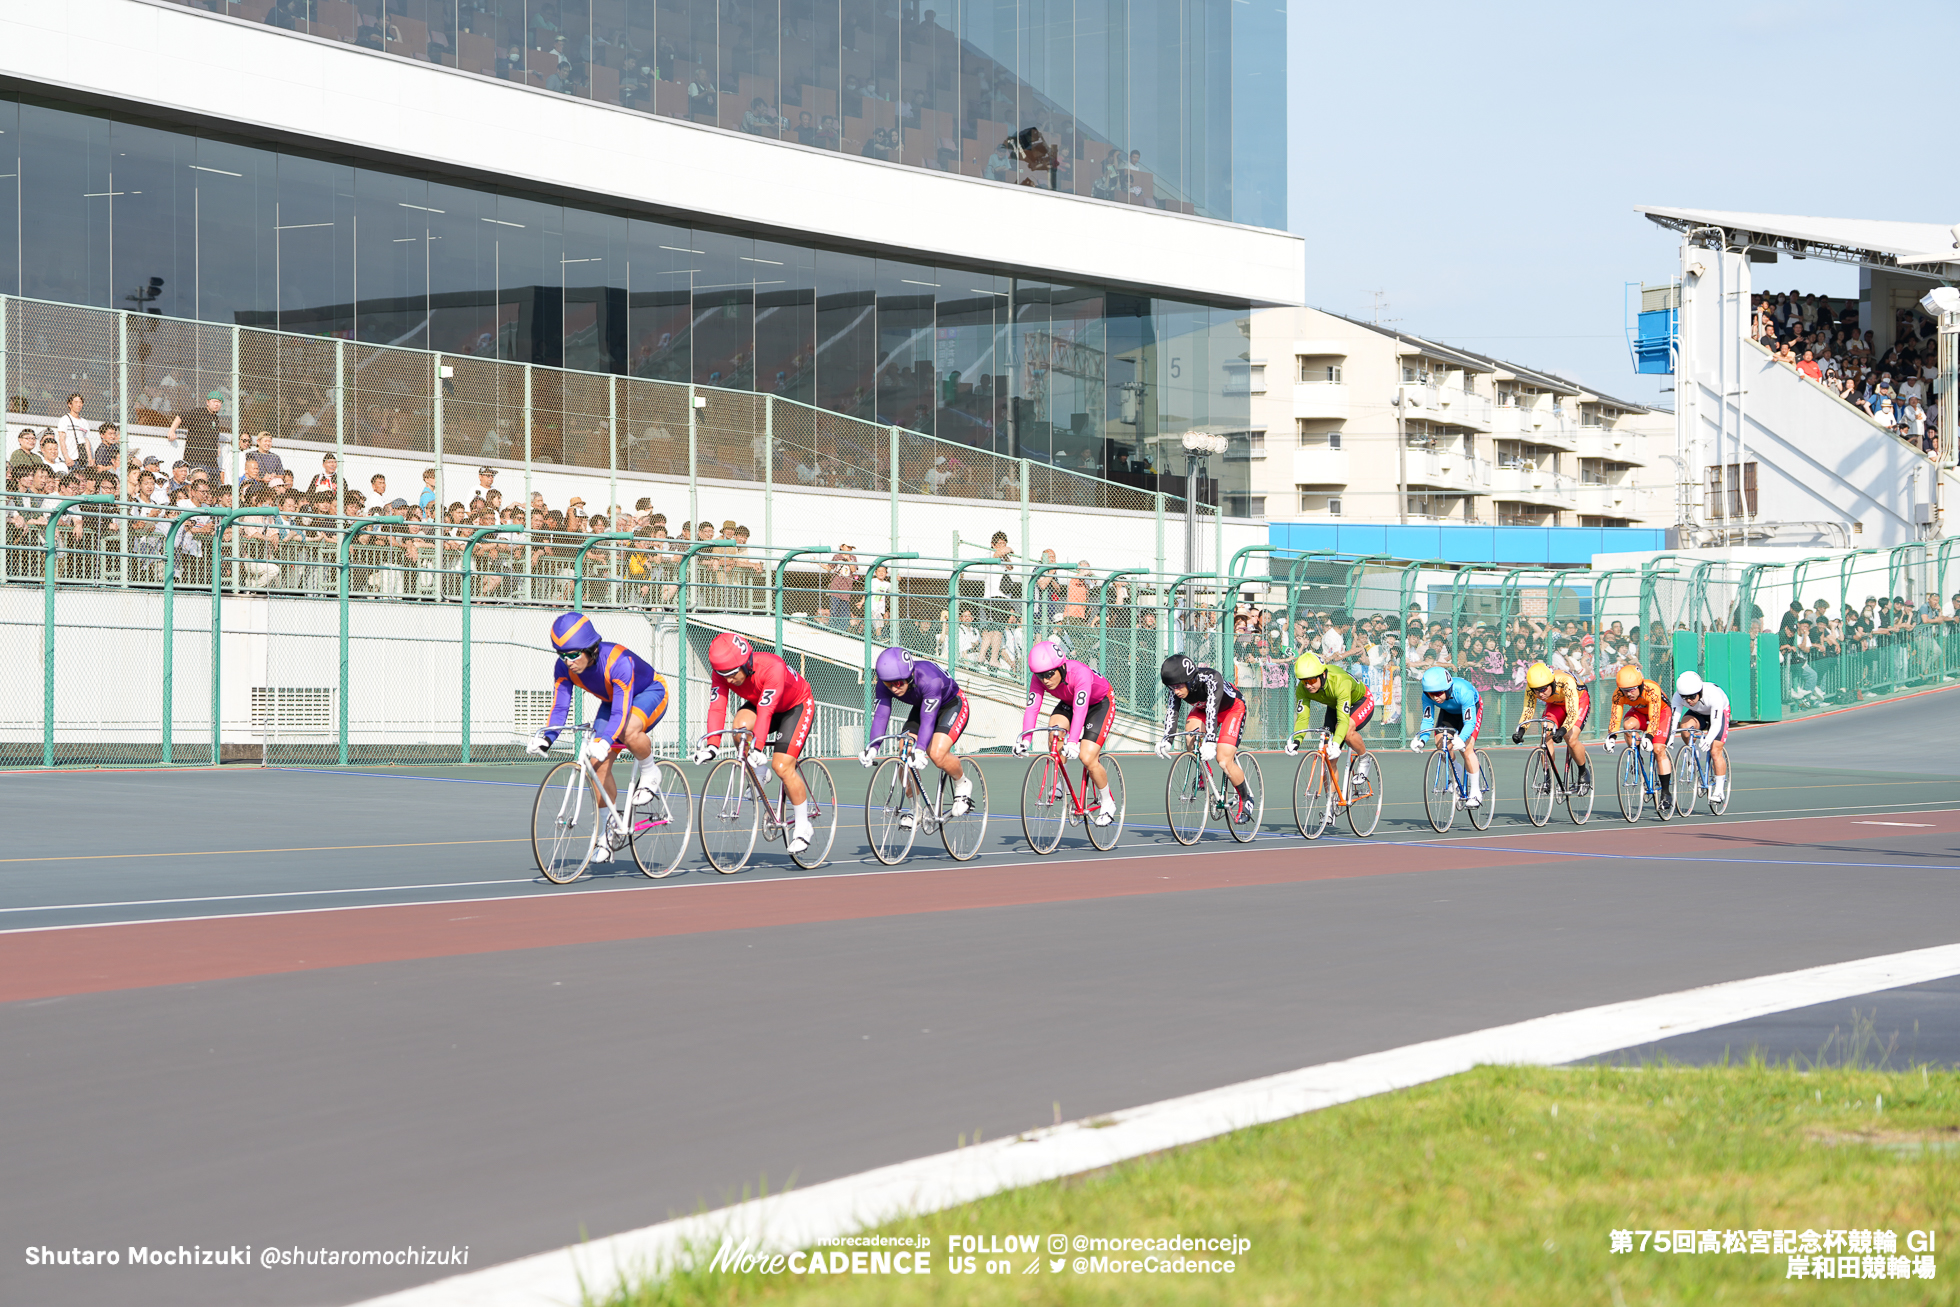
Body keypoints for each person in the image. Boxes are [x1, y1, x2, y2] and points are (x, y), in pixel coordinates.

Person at [525, 612, 670, 862]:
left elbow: (621, 713)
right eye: (561, 654)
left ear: (591, 649)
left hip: (648, 692)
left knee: (627, 730)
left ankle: (650, 771)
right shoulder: (563, 667)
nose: (568, 661)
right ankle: (607, 834)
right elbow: (560, 706)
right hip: (613, 700)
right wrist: (547, 737)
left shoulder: (618, 661)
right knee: (597, 766)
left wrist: (605, 741)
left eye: (573, 654)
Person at [694, 632, 819, 854]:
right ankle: (760, 773)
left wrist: (759, 748)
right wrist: (712, 746)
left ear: (747, 662)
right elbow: (717, 707)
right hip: (761, 703)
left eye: (732, 674)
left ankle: (803, 827)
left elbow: (766, 710)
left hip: (795, 707)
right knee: (739, 728)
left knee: (782, 766)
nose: (729, 680)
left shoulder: (772, 667)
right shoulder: (722, 674)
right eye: (724, 675)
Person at [858, 647, 974, 823]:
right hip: (923, 705)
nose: (894, 688)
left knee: (936, 753)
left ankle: (963, 783)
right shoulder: (885, 684)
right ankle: (916, 809)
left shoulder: (929, 680)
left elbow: (928, 720)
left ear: (910, 675)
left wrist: (920, 750)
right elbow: (881, 715)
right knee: (904, 751)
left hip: (952, 704)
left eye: (898, 683)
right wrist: (873, 748)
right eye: (889, 684)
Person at [1012, 640, 1118, 826]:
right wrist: (1025, 740)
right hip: (1070, 702)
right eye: (1040, 675)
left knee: (1087, 757)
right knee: (1055, 730)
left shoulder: (1080, 673)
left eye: (1049, 674)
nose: (1045, 680)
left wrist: (1074, 741)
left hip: (1099, 703)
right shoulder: (1039, 679)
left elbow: (1081, 708)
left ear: (1061, 668)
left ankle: (1108, 802)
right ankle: (1062, 780)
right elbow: (1032, 708)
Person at [1153, 653, 1254, 821]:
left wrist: (1211, 741)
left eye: (1178, 686)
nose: (1175, 691)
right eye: (1171, 687)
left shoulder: (1212, 678)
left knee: (1223, 759)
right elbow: (1172, 712)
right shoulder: (1176, 689)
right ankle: (1204, 773)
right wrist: (1167, 740)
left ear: (1190, 680)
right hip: (1203, 710)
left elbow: (1213, 710)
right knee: (1190, 739)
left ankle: (1246, 799)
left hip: (1232, 710)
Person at [1284, 651, 1375, 798]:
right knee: (1328, 758)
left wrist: (1337, 742)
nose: (1308, 686)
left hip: (1361, 701)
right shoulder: (1302, 689)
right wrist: (1296, 741)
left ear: (1323, 675)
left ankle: (1364, 758)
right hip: (1335, 705)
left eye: (1312, 681)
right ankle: (1331, 805)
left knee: (1346, 733)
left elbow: (1343, 720)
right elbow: (1302, 718)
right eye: (1304, 681)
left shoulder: (1340, 681)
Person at [1513, 660, 1592, 795]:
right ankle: (1547, 778)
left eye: (1543, 689)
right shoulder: (1532, 688)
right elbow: (1528, 710)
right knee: (1546, 733)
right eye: (1536, 691)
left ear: (1551, 683)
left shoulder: (1566, 682)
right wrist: (1520, 731)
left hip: (1578, 701)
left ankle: (1583, 772)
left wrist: (1562, 730)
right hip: (1555, 704)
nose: (1540, 694)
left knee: (1570, 738)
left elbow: (1572, 713)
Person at [1409, 664, 1483, 806]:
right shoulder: (1428, 695)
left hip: (1471, 710)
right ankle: (1456, 769)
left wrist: (1461, 739)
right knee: (1441, 745)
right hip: (1449, 713)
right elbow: (1427, 719)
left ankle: (1475, 792)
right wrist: (1422, 740)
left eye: (1438, 693)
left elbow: (1469, 723)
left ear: (1448, 688)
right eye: (1431, 694)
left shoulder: (1464, 691)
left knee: (1467, 749)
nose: (1434, 697)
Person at [1604, 662, 1673, 809]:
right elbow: (1615, 717)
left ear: (1640, 685)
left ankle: (1666, 793)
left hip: (1660, 713)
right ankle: (1636, 756)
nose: (1628, 694)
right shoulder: (1618, 694)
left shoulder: (1652, 689)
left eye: (1632, 689)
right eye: (1625, 690)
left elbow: (1654, 717)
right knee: (1627, 726)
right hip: (1640, 713)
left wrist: (1648, 736)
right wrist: (1611, 736)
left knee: (1658, 749)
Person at [1670, 670, 1731, 805]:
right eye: (1685, 698)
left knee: (1715, 750)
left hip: (1718, 713)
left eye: (1692, 697)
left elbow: (1715, 724)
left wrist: (1708, 739)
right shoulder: (1679, 697)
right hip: (1698, 713)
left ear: (1700, 691)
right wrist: (1671, 737)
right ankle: (1693, 753)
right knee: (1685, 728)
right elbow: (1674, 719)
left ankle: (1719, 790)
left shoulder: (1713, 695)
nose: (1689, 701)